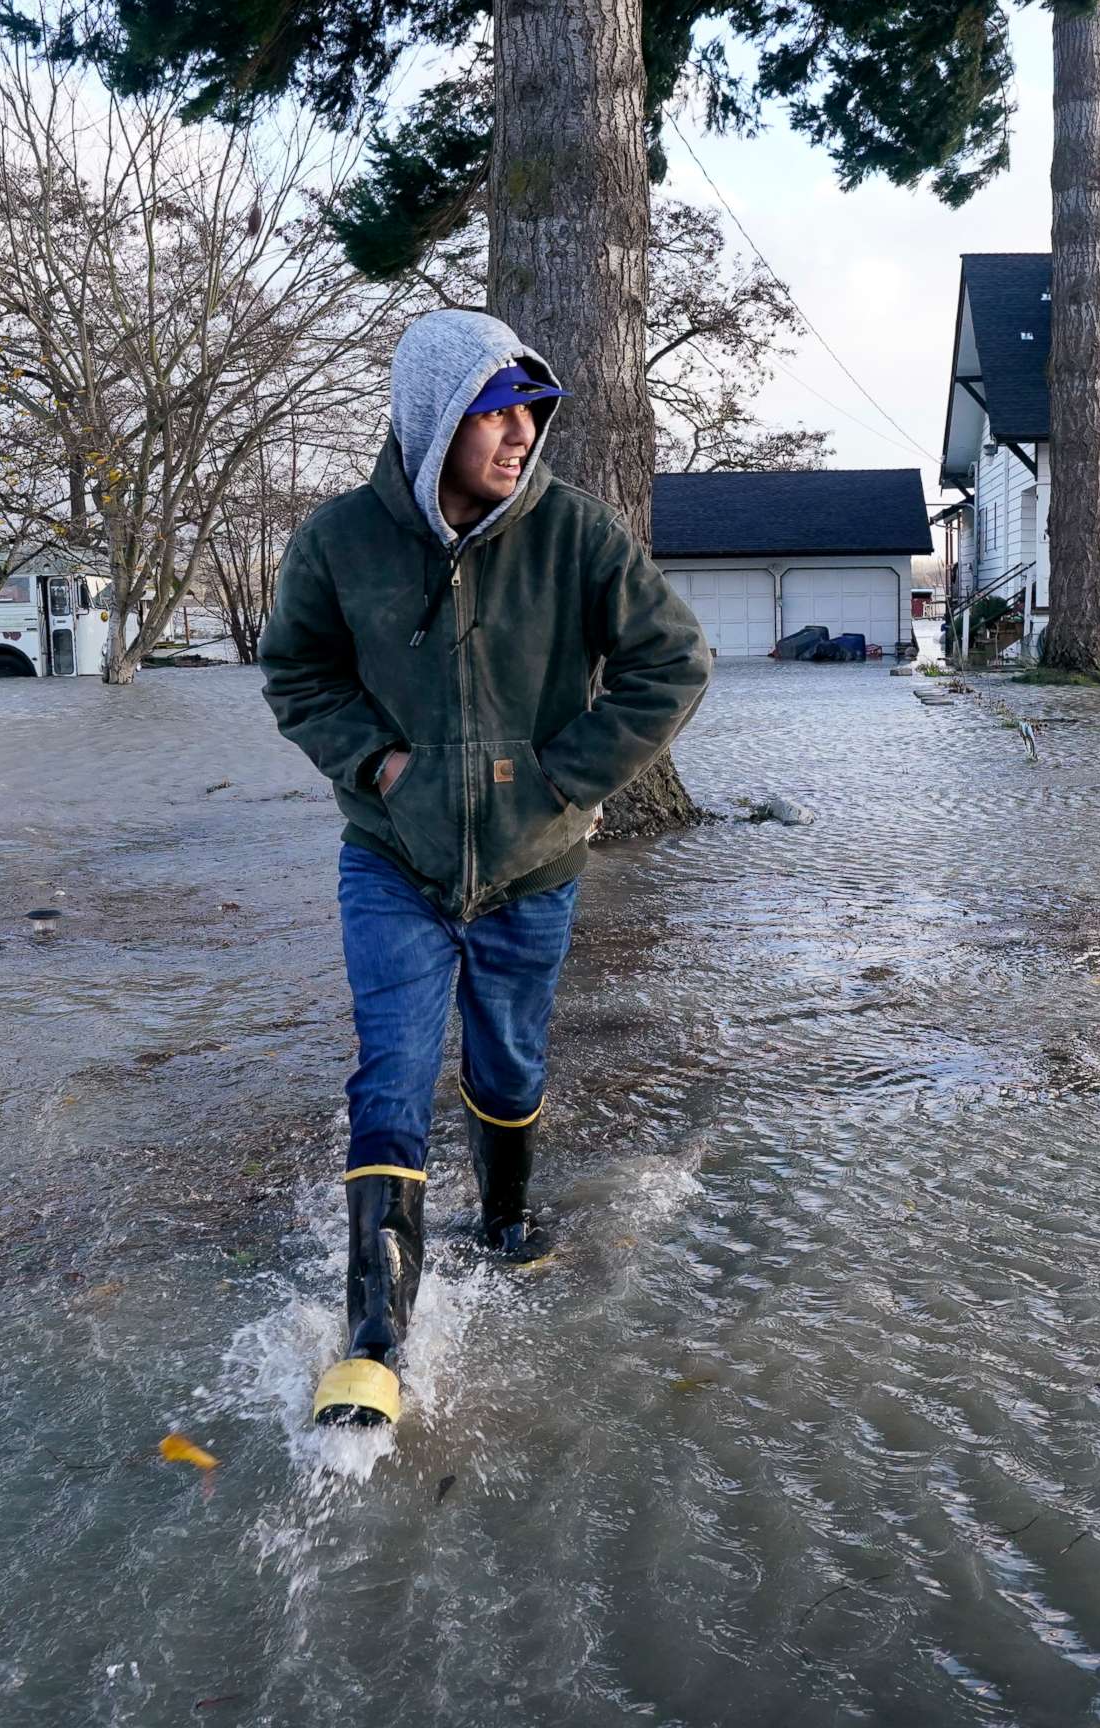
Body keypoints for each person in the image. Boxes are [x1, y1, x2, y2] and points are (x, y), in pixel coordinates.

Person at [259, 310, 711, 1428]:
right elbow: (298, 675)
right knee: (392, 1070)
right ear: (432, 420)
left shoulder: (576, 536)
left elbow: (674, 661)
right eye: (496, 412)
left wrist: (564, 776)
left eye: (533, 412)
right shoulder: (338, 544)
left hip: (534, 866)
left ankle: (506, 1221)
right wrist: (376, 762)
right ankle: (374, 1341)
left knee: (507, 1068)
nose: (522, 433)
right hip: (392, 860)